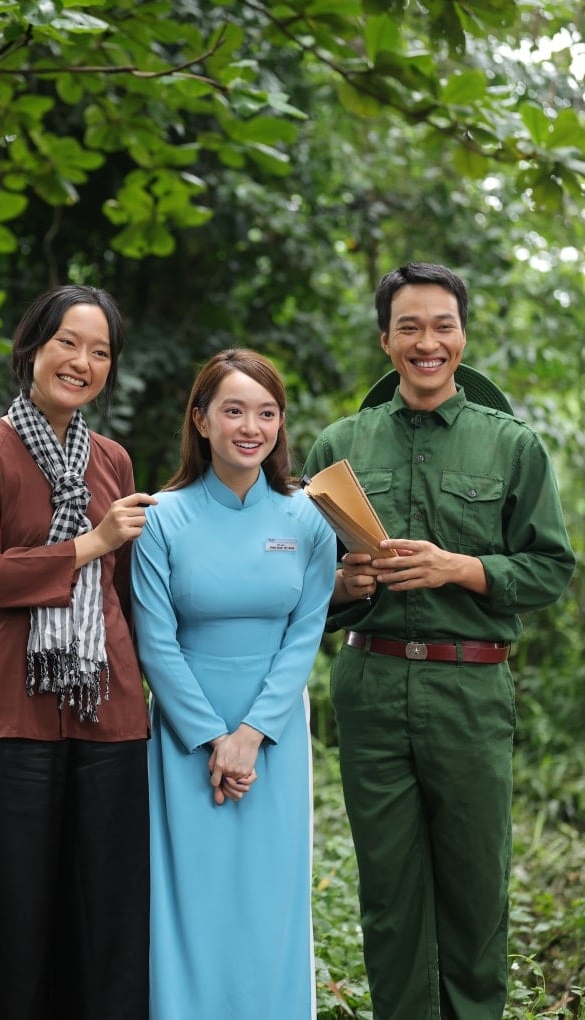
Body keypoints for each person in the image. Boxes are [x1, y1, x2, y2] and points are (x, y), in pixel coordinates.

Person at [303, 262, 575, 1020]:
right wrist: (345, 588)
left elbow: (552, 568)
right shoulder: (338, 445)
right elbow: (296, 584)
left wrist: (464, 568)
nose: (429, 342)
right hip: (372, 688)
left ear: (463, 334)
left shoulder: (512, 446)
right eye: (411, 327)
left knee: (474, 886)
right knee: (387, 891)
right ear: (385, 338)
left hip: (471, 689)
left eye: (443, 326)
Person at [0, 284, 155, 1020]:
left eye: (100, 352)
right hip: (14, 709)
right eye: (69, 342)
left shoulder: (113, 461)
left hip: (112, 708)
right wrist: (86, 545)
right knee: (22, 914)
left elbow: (126, 590)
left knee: (109, 918)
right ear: (33, 345)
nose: (83, 361)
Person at [130, 348, 336, 1020]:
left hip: (274, 733)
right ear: (201, 420)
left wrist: (250, 734)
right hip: (184, 737)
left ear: (280, 424)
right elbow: (155, 642)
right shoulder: (161, 517)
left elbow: (305, 634)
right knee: (189, 895)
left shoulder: (308, 517)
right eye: (234, 410)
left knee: (271, 898)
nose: (251, 426)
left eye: (266, 412)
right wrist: (213, 736)